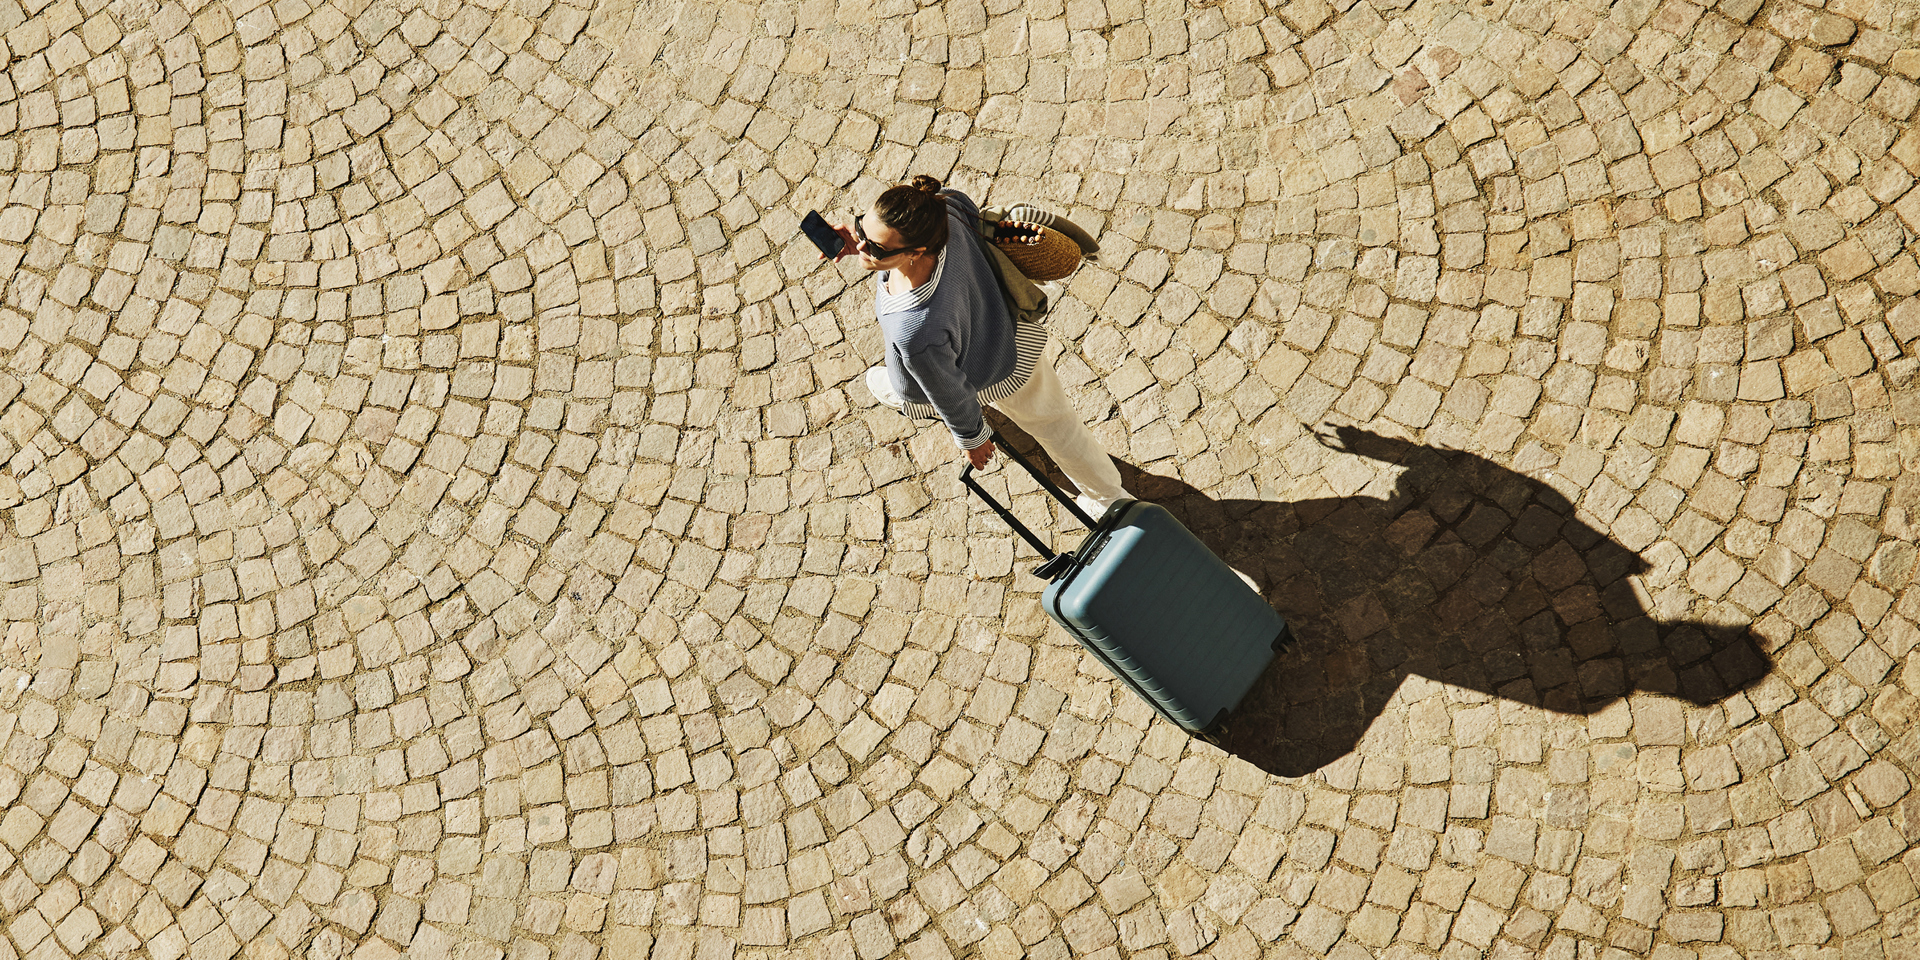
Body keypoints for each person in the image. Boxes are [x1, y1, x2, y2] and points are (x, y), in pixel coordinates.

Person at [825, 175, 1132, 517]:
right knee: (1057, 421)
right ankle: (1107, 495)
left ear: (916, 252)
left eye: (877, 247)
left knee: (928, 392)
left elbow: (951, 391)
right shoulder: (944, 210)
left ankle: (1111, 500)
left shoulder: (914, 329)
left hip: (991, 371)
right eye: (860, 228)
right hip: (1008, 332)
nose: (863, 247)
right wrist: (866, 246)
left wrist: (972, 438)